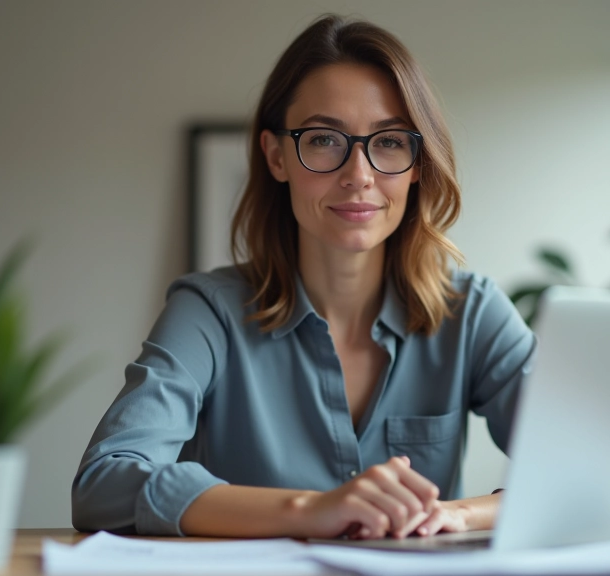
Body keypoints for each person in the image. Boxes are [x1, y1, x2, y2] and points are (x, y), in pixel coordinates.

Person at [71, 14, 535, 540]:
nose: (358, 175)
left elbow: (590, 473)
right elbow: (103, 484)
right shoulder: (209, 313)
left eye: (387, 143)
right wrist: (309, 510)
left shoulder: (472, 314)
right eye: (323, 140)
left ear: (415, 164)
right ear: (276, 156)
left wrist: (460, 513)